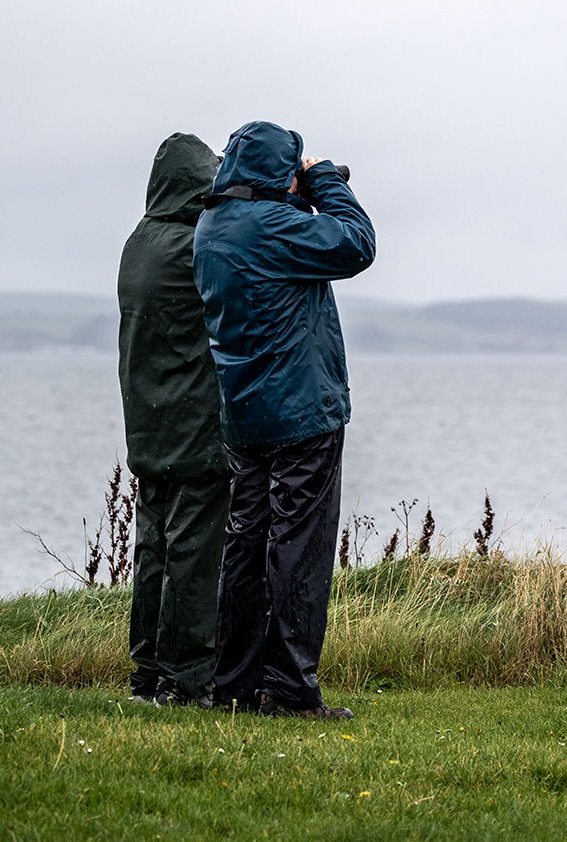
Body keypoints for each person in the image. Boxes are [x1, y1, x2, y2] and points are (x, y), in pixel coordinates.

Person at [193, 120, 375, 720]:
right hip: (301, 411)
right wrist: (322, 177)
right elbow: (356, 243)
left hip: (244, 413)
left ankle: (235, 683)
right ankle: (291, 690)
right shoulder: (275, 228)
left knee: (245, 545)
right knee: (299, 545)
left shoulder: (212, 227)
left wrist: (292, 190)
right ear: (279, 173)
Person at [117, 132, 232, 707]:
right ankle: (184, 682)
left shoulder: (137, 243)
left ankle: (147, 674)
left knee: (153, 550)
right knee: (191, 553)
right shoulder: (194, 247)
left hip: (148, 424)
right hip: (195, 427)